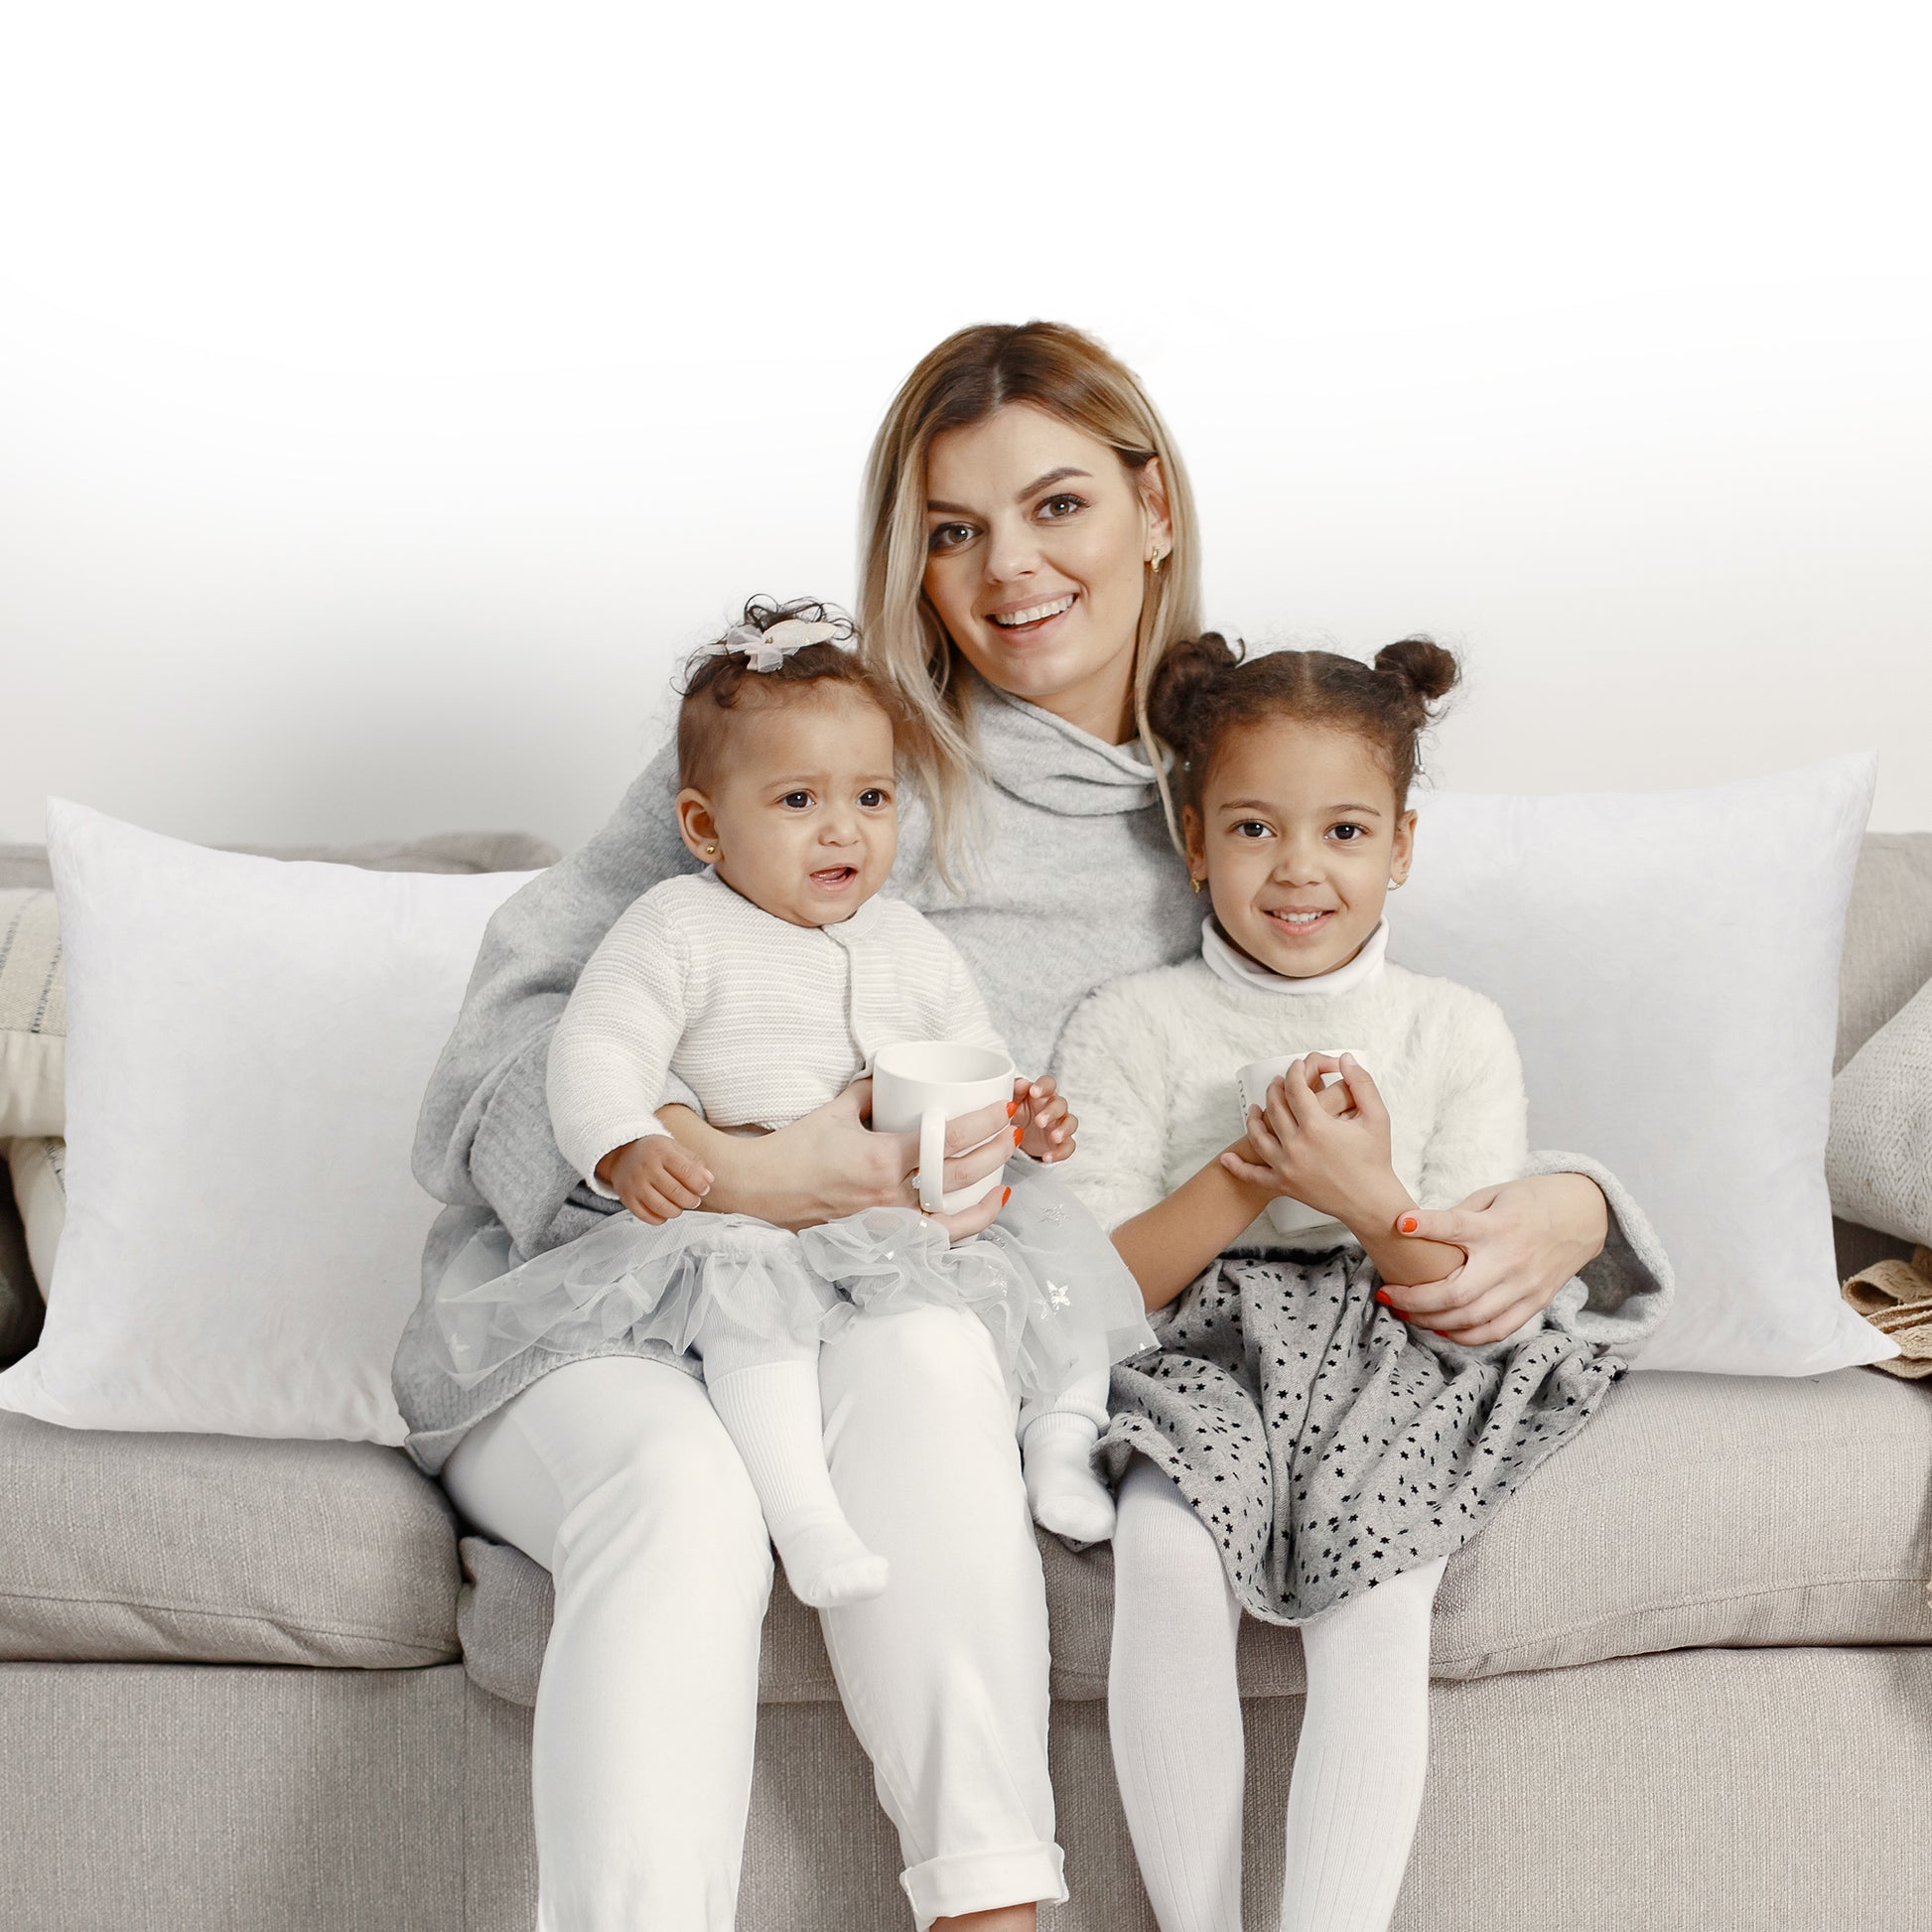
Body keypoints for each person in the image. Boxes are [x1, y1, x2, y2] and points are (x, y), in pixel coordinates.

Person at [392, 319, 1657, 1932]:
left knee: (926, 1367)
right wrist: (746, 1170)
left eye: (1056, 506)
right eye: (951, 530)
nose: (1007, 570)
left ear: (1153, 508)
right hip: (609, 1304)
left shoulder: (1243, 800)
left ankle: (991, 1910)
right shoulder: (815, 744)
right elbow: (487, 1076)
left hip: (895, 1316)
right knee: (681, 1492)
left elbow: (1370, 1046)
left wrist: (1572, 1202)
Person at [1051, 631, 1673, 1932]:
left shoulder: (1451, 1029)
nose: (1298, 868)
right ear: (1192, 839)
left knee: (1381, 1591)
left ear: (1398, 846)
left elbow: (1458, 1288)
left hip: (1396, 1339)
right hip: (1198, 1349)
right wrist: (1244, 1171)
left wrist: (1358, 1188)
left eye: (1342, 830)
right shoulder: (1129, 1021)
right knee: (1166, 1549)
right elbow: (1097, 1281)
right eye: (1253, 827)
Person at [416, 593, 1149, 1611]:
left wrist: (1019, 1109)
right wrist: (622, 1144)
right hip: (746, 1226)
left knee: (1051, 1275)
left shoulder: (909, 942)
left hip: (890, 1230)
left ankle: (1060, 1443)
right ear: (703, 826)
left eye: (872, 797)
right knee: (751, 1318)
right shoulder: (675, 926)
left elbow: (971, 1051)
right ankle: (803, 1516)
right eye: (798, 800)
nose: (843, 829)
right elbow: (598, 1048)